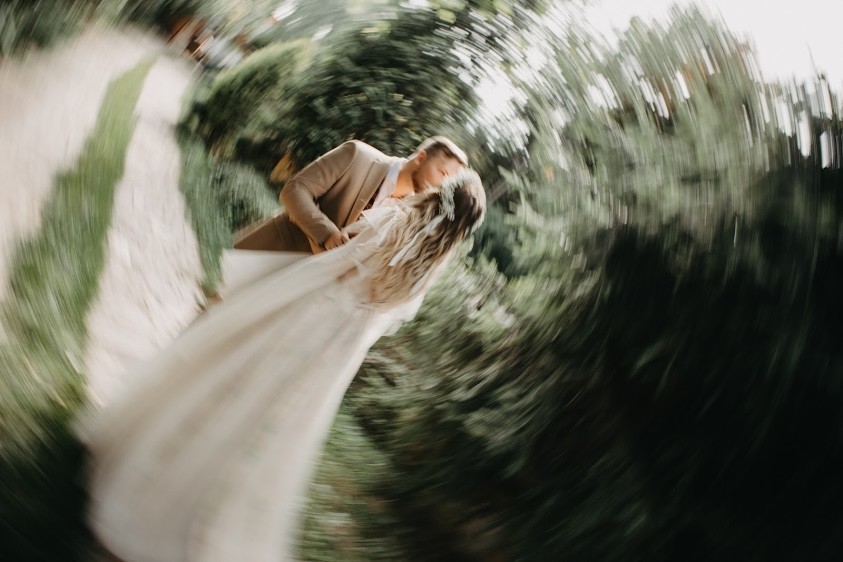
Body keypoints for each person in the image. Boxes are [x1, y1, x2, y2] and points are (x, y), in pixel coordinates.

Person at [79, 168, 486, 562]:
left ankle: (159, 463)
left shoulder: (391, 222)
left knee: (227, 382)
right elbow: (382, 318)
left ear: (440, 194)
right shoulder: (425, 275)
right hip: (337, 350)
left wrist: (273, 286)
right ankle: (205, 500)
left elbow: (334, 265)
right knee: (261, 415)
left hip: (306, 315)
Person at [233, 136, 468, 253]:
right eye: (443, 173)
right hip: (270, 251)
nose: (442, 184)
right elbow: (294, 190)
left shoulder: (410, 215)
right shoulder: (358, 155)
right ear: (421, 158)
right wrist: (326, 233)